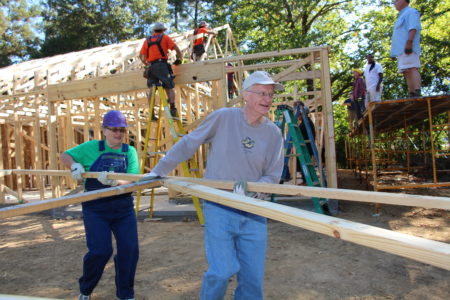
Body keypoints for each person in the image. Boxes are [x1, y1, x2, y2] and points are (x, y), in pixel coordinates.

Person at [142, 71, 284, 299]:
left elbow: (273, 174)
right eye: (261, 93)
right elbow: (190, 142)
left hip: (254, 213)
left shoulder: (273, 133)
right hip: (220, 207)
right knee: (221, 271)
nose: (267, 99)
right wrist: (160, 169)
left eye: (270, 94)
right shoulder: (224, 118)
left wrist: (253, 190)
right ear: (246, 95)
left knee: (252, 280)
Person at [60, 110, 139, 300]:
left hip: (123, 209)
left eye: (121, 130)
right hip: (96, 209)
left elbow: (133, 180)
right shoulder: (91, 147)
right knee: (100, 251)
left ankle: (125, 294)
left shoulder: (130, 151)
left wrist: (116, 182)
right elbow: (65, 155)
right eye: (114, 130)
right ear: (104, 130)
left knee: (130, 251)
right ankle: (85, 290)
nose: (118, 134)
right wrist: (74, 166)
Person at [139, 22, 183, 117]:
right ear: (163, 30)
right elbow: (177, 49)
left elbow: (141, 56)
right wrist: (180, 59)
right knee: (169, 86)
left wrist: (147, 64)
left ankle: (151, 113)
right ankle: (172, 108)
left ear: (154, 30)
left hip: (152, 67)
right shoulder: (165, 38)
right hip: (162, 65)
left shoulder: (148, 40)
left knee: (152, 88)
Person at [391, 0, 422, 97]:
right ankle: (412, 92)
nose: (394, 3)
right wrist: (393, 52)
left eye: (395, 0)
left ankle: (417, 90)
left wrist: (409, 43)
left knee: (412, 67)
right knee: (406, 70)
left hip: (408, 47)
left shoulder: (411, 12)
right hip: (401, 50)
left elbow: (413, 28)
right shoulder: (401, 15)